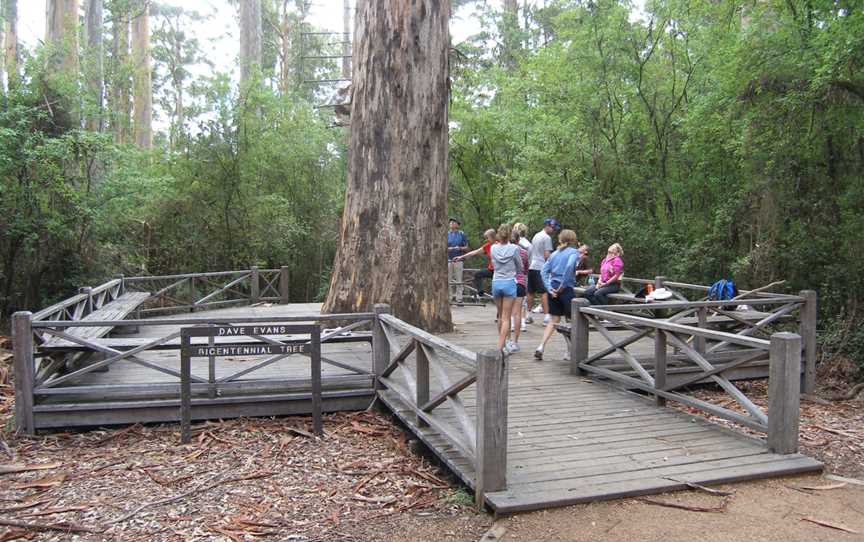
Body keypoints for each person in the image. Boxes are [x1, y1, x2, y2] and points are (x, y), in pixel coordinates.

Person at [533, 229, 580, 361]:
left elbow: (543, 272)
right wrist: (562, 286)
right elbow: (570, 266)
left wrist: (549, 288)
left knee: (554, 321)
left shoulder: (554, 254)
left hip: (552, 290)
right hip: (565, 290)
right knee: (571, 322)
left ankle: (541, 346)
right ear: (573, 240)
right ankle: (569, 352)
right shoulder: (574, 252)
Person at [489, 223, 523, 354]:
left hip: (496, 282)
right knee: (506, 318)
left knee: (500, 316)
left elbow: (493, 263)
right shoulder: (514, 248)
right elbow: (519, 266)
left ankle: (502, 345)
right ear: (509, 235)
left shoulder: (493, 248)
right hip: (509, 283)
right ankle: (500, 348)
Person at [527, 218, 560, 325]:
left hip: (531, 266)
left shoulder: (536, 235)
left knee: (530, 291)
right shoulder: (546, 238)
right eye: (552, 227)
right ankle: (546, 317)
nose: (554, 230)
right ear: (547, 226)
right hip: (540, 267)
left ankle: (528, 315)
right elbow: (547, 255)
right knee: (544, 291)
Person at [506, 227, 531, 353]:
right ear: (518, 239)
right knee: (516, 314)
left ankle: (506, 340)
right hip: (520, 283)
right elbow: (525, 270)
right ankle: (514, 342)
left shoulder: (503, 250)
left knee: (506, 314)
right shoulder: (523, 252)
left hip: (507, 282)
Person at [455, 229, 496, 300]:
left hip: (499, 272)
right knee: (478, 274)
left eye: (487, 238)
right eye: (485, 238)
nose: (486, 240)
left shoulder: (500, 244)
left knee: (496, 290)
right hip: (491, 270)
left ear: (493, 237)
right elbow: (475, 252)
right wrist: (461, 257)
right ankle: (480, 293)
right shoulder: (487, 246)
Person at [512, 222, 532, 331]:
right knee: (521, 300)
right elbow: (528, 262)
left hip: (512, 276)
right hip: (523, 276)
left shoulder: (512, 246)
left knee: (512, 300)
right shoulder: (529, 245)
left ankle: (513, 323)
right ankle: (522, 322)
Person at [447, 218, 469, 303]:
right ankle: (449, 298)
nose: (451, 223)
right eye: (450, 222)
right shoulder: (446, 234)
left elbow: (467, 247)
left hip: (459, 259)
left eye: (453, 222)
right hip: (448, 259)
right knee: (448, 279)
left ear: (457, 225)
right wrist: (448, 249)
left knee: (459, 279)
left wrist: (459, 248)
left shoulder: (461, 234)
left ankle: (459, 299)